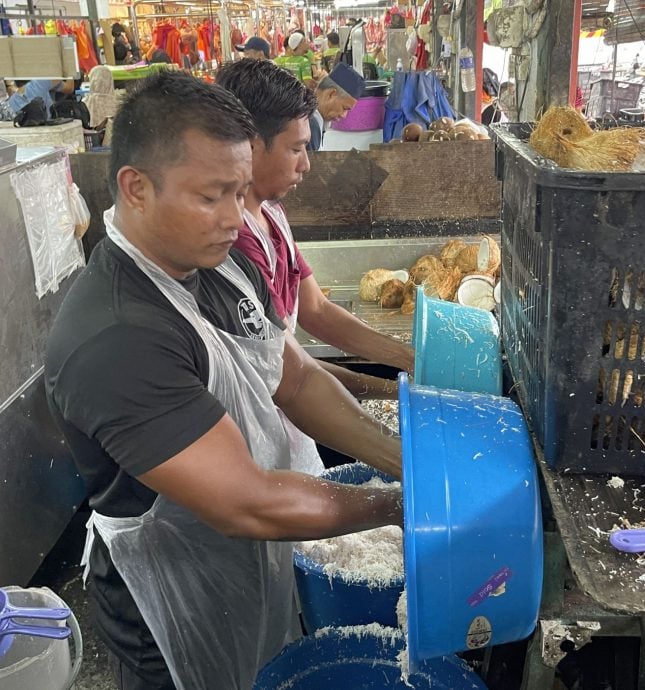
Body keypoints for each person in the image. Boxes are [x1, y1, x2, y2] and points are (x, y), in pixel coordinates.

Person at [45, 70, 402, 689]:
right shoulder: (118, 336)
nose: (237, 217)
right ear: (135, 188)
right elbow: (248, 503)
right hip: (170, 598)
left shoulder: (224, 265)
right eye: (212, 195)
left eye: (241, 193)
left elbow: (297, 380)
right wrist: (407, 506)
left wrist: (408, 462)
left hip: (252, 561)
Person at [215, 60, 412, 402]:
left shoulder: (272, 212)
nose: (306, 164)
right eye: (295, 149)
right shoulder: (234, 242)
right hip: (268, 422)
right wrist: (400, 393)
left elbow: (316, 310)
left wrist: (411, 361)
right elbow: (293, 374)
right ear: (248, 144)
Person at [307, 62, 364, 151]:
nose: (343, 115)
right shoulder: (310, 123)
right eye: (344, 108)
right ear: (331, 94)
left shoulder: (316, 118)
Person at [0, 78, 73, 121]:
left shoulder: (8, 98)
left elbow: (69, 88)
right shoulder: (42, 81)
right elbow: (69, 88)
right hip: (38, 125)